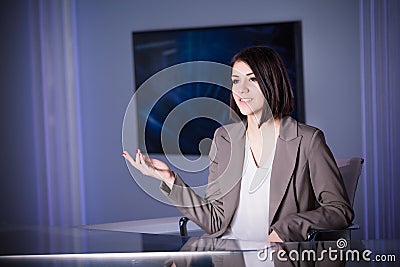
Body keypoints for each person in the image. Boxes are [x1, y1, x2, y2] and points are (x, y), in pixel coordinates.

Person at [122, 46, 354, 242]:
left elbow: (339, 210)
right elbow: (215, 221)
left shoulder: (307, 140)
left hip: (277, 257)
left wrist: (288, 228)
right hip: (226, 254)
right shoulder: (224, 139)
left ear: (272, 83)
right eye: (235, 81)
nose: (241, 90)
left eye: (252, 79)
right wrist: (170, 180)